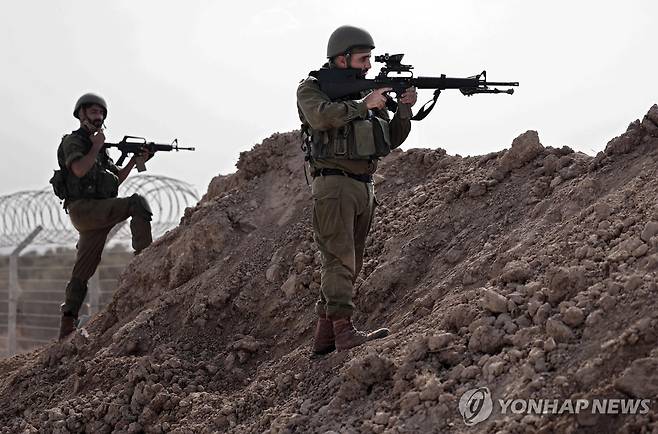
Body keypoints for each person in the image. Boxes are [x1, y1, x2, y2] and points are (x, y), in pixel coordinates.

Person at [297, 25, 418, 354]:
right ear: (341, 58)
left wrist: (403, 106)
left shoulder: (367, 95)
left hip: (363, 186)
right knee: (339, 260)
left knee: (351, 262)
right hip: (334, 184)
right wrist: (365, 104)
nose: (368, 65)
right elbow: (321, 118)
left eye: (370, 59)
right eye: (363, 59)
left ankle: (325, 339)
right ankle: (344, 332)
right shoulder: (313, 88)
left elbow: (390, 140)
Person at [54, 93, 154, 340]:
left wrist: (135, 160)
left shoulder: (100, 150)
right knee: (137, 204)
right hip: (83, 209)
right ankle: (147, 260)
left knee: (83, 269)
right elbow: (78, 169)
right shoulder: (74, 142)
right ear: (81, 114)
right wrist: (97, 146)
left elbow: (115, 179)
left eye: (101, 113)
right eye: (93, 112)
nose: (98, 116)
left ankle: (67, 323)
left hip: (98, 210)